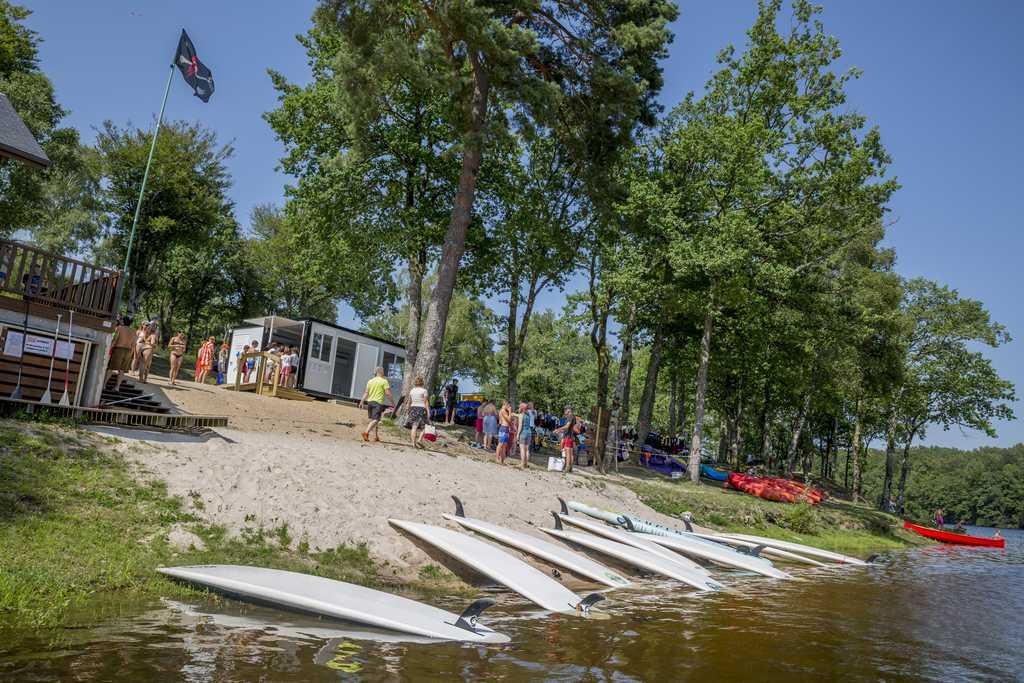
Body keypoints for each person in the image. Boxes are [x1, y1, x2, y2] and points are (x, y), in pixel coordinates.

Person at [358, 366, 393, 442]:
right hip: (378, 403)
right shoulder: (384, 381)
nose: (384, 372)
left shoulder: (370, 381)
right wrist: (393, 402)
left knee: (374, 420)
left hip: (370, 402)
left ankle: (376, 436)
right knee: (376, 420)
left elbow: (366, 393)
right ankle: (366, 432)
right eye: (383, 371)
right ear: (381, 372)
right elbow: (387, 394)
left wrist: (361, 402)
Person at [105, 316, 135, 392]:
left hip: (119, 349)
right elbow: (133, 344)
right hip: (128, 351)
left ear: (123, 321)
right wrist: (132, 354)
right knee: (122, 370)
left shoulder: (119, 328)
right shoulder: (133, 331)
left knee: (111, 368)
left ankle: (103, 384)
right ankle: (117, 387)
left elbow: (115, 339)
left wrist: (109, 349)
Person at [407, 375, 431, 449]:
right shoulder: (424, 391)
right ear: (422, 382)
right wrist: (428, 411)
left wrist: (408, 409)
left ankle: (413, 444)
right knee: (425, 426)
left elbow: (409, 401)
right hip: (421, 409)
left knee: (414, 427)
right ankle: (419, 440)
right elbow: (426, 402)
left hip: (413, 408)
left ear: (415, 382)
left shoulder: (412, 390)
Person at [554, 408, 580, 473]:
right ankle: (570, 468)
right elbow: (569, 428)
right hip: (570, 437)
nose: (564, 411)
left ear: (568, 410)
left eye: (565, 410)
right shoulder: (572, 417)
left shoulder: (570, 417)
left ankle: (567, 468)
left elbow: (567, 426)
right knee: (570, 453)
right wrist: (560, 431)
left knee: (567, 453)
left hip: (568, 437)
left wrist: (558, 429)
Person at [516, 401, 534, 468]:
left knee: (522, 449)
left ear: (522, 408)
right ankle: (526, 464)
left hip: (523, 433)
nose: (518, 408)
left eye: (519, 407)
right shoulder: (528, 415)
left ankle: (522, 464)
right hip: (529, 433)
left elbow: (520, 426)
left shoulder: (521, 415)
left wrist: (517, 435)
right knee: (527, 450)